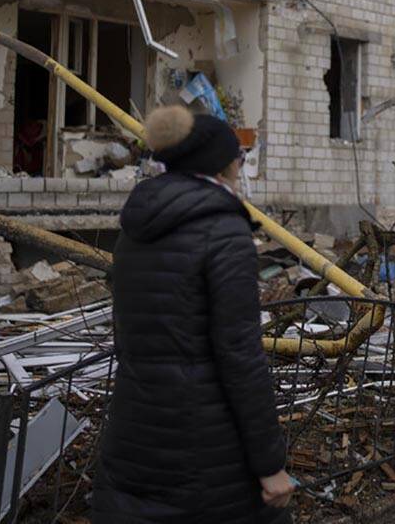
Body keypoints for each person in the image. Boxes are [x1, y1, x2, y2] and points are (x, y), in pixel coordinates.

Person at [92, 105, 295, 523]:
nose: (241, 163)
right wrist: (270, 464)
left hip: (135, 428)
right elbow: (240, 356)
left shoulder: (136, 228)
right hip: (207, 441)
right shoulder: (224, 232)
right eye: (237, 155)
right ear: (220, 163)